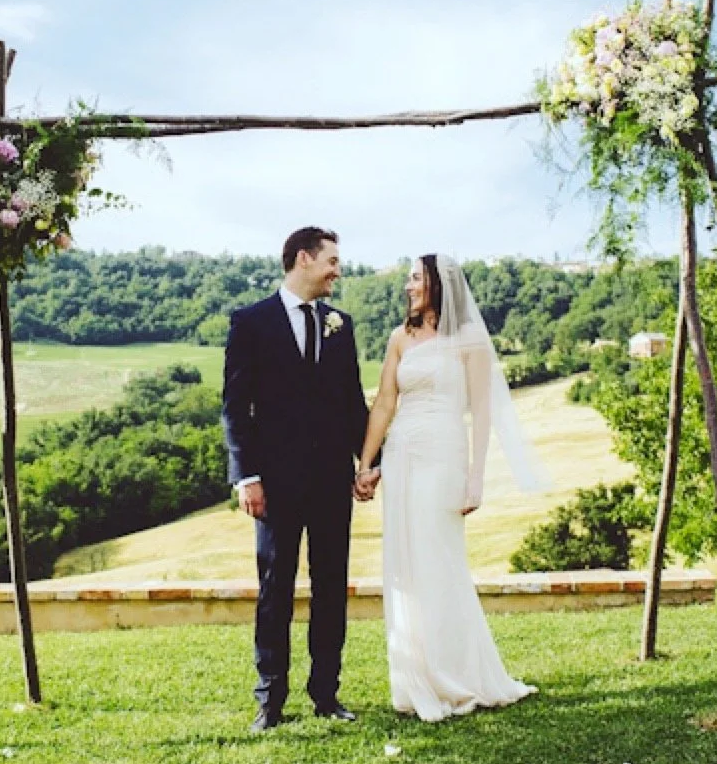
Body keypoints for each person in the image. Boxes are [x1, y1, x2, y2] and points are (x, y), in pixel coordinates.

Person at [356, 253, 545, 721]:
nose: (408, 285)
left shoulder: (469, 340)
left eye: (416, 278)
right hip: (401, 454)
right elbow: (383, 402)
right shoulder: (400, 337)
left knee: (439, 562)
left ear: (438, 284)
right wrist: (366, 463)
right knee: (406, 563)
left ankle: (457, 676)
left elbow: (482, 412)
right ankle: (415, 677)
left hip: (444, 455)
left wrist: (475, 478)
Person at [221, 227, 374, 733]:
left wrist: (370, 461)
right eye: (331, 260)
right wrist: (247, 476)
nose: (337, 270)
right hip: (277, 486)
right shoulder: (251, 322)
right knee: (275, 589)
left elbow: (353, 403)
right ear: (303, 259)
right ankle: (270, 699)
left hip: (332, 481)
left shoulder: (340, 324)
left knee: (331, 587)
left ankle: (326, 694)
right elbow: (234, 409)